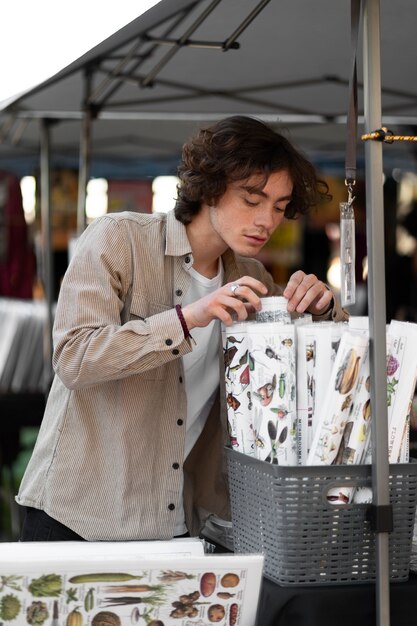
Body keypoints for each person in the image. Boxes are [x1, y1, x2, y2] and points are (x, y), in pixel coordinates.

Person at [16, 115, 348, 542]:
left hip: (176, 520)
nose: (268, 219)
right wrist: (188, 317)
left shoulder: (252, 277)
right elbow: (75, 358)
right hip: (77, 514)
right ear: (209, 185)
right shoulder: (120, 239)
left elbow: (325, 365)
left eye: (280, 207)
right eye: (252, 199)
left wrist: (321, 304)